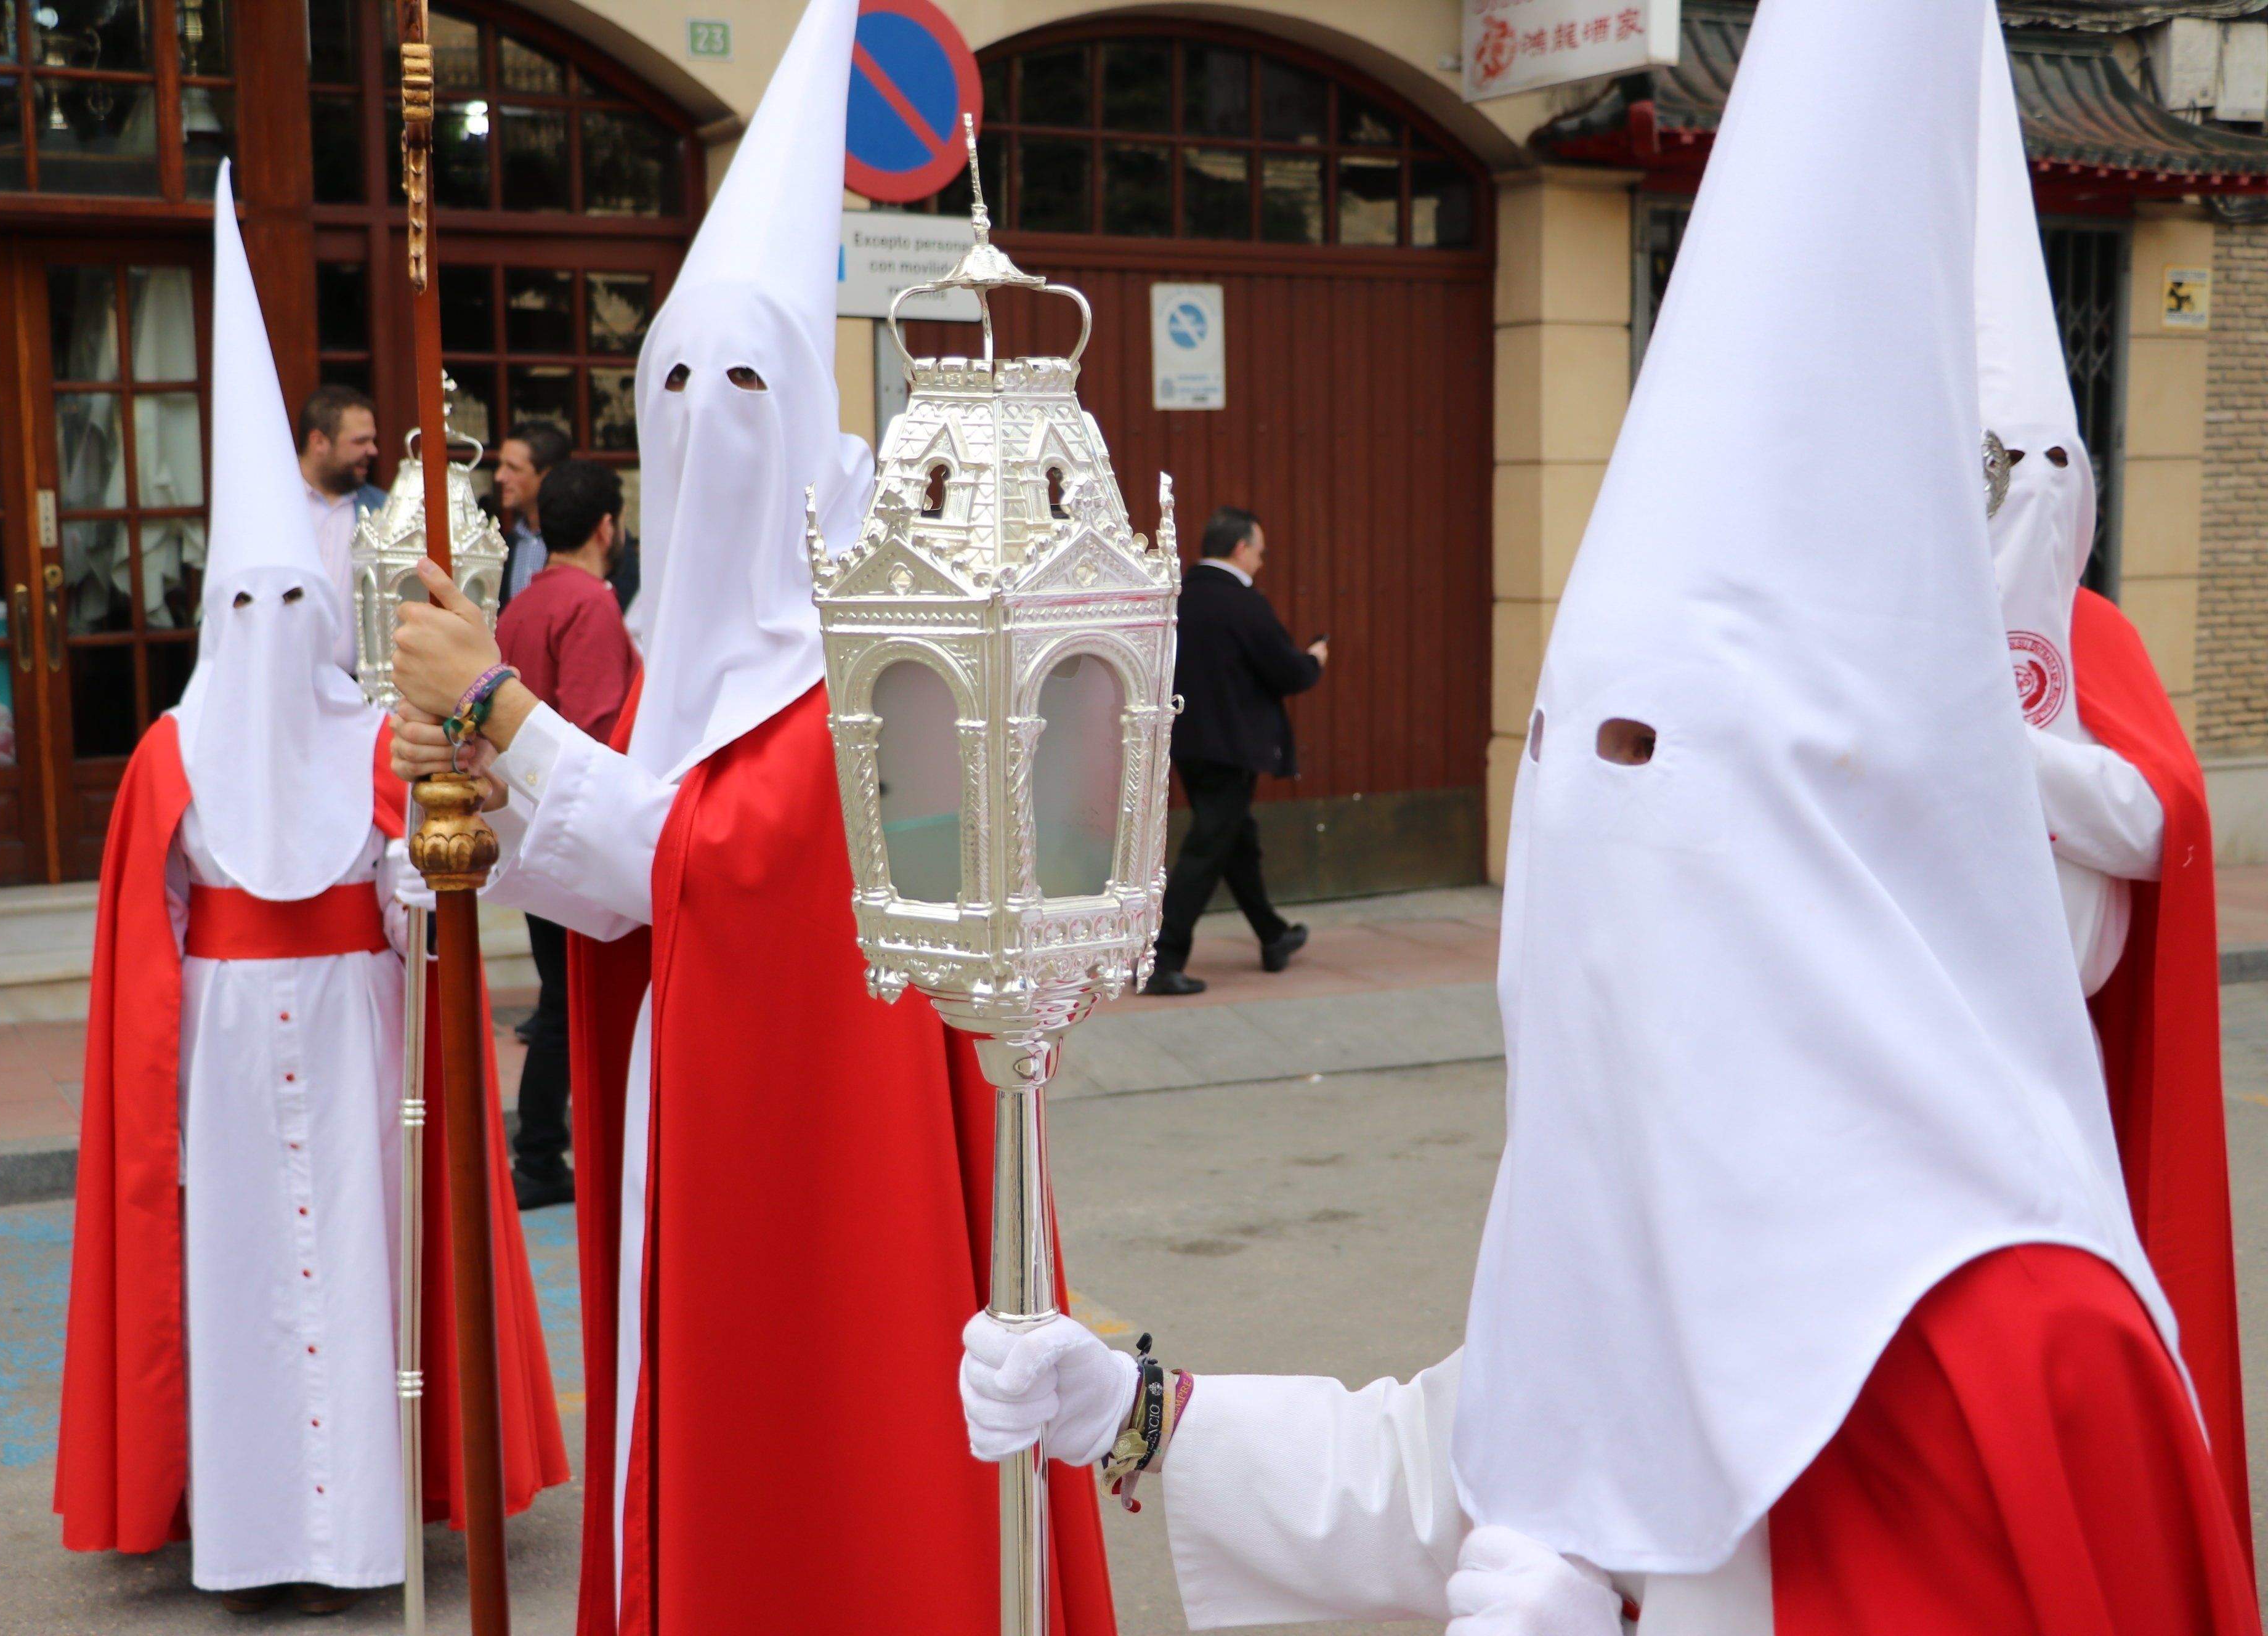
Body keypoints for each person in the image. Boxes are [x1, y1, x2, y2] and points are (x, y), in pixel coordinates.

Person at [960, 5, 2260, 1633]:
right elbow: (1477, 1457)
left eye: (1652, 760)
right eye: (1569, 756)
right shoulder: (1646, 1170)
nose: (1598, 833)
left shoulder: (2034, 1344)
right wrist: (1139, 1414)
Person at [385, 0, 1118, 1629]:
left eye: (748, 381)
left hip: (823, 1179)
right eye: (679, 381)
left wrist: (498, 711)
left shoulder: (867, 660)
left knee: (831, 1488)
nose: (712, 414)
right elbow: (624, 879)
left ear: (809, 413)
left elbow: (721, 859)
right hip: (691, 1121)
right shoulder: (676, 669)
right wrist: (468, 787)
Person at [54, 164, 568, 1616]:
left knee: (359, 1263)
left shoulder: (376, 737)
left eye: (299, 602)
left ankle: (363, 1530)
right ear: (216, 610)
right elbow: (141, 945)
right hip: (217, 1046)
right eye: (248, 607)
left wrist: (424, 865)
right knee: (234, 1279)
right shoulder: (168, 754)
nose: (279, 632)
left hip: (360, 1037)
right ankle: (249, 1527)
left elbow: (434, 884)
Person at [1976, 59, 2252, 1552]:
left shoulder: (2096, 640)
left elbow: (2161, 826)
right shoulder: (1846, 634)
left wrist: (1982, 748)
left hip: (2053, 1077)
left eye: (2019, 469)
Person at [490, 458, 637, 1212]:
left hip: (526, 819)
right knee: (568, 1001)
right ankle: (543, 1151)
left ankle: (543, 1148)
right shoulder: (591, 605)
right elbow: (597, 731)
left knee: (559, 995)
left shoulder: (521, 607)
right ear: (607, 527)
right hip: (574, 821)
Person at [1144, 506, 1327, 996]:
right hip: (1232, 748)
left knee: (1234, 840)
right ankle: (1163, 960)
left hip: (1186, 743)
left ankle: (1273, 936)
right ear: (1242, 549)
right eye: (1260, 554)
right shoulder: (1243, 603)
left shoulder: (1177, 597)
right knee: (1207, 849)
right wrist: (1314, 659)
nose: (1261, 564)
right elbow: (1287, 672)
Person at [295, 383, 386, 674]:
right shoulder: (273, 504)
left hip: (360, 693)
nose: (373, 450)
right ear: (319, 442)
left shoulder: (384, 510)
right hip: (285, 690)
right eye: (360, 441)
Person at [493, 421, 570, 605]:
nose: (499, 476)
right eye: (501, 465)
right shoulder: (504, 543)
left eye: (513, 468)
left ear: (547, 475)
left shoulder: (578, 542)